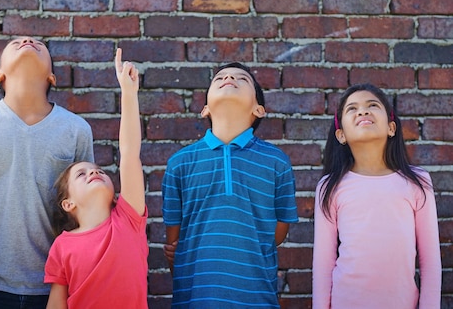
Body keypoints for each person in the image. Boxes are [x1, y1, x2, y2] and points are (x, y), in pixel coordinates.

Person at [0, 36, 94, 309]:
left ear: (52, 77)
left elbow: (85, 215)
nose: (27, 41)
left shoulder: (76, 130)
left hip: (55, 285)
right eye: (15, 43)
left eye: (40, 44)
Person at [161, 62, 298, 308]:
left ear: (259, 109)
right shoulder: (179, 163)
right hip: (195, 300)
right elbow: (174, 243)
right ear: (204, 109)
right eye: (220, 77)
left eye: (241, 79)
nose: (229, 78)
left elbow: (277, 233)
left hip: (258, 299)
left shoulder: (277, 162)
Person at [312, 83, 441, 309]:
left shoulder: (418, 182)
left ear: (391, 127)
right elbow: (323, 264)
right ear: (340, 134)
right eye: (352, 109)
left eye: (372, 105)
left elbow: (430, 262)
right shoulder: (329, 187)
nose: (362, 111)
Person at [44, 48, 148, 309]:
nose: (94, 172)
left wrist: (128, 93)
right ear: (68, 203)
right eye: (82, 174)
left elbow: (129, 152)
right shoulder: (62, 246)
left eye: (99, 170)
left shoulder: (129, 219)